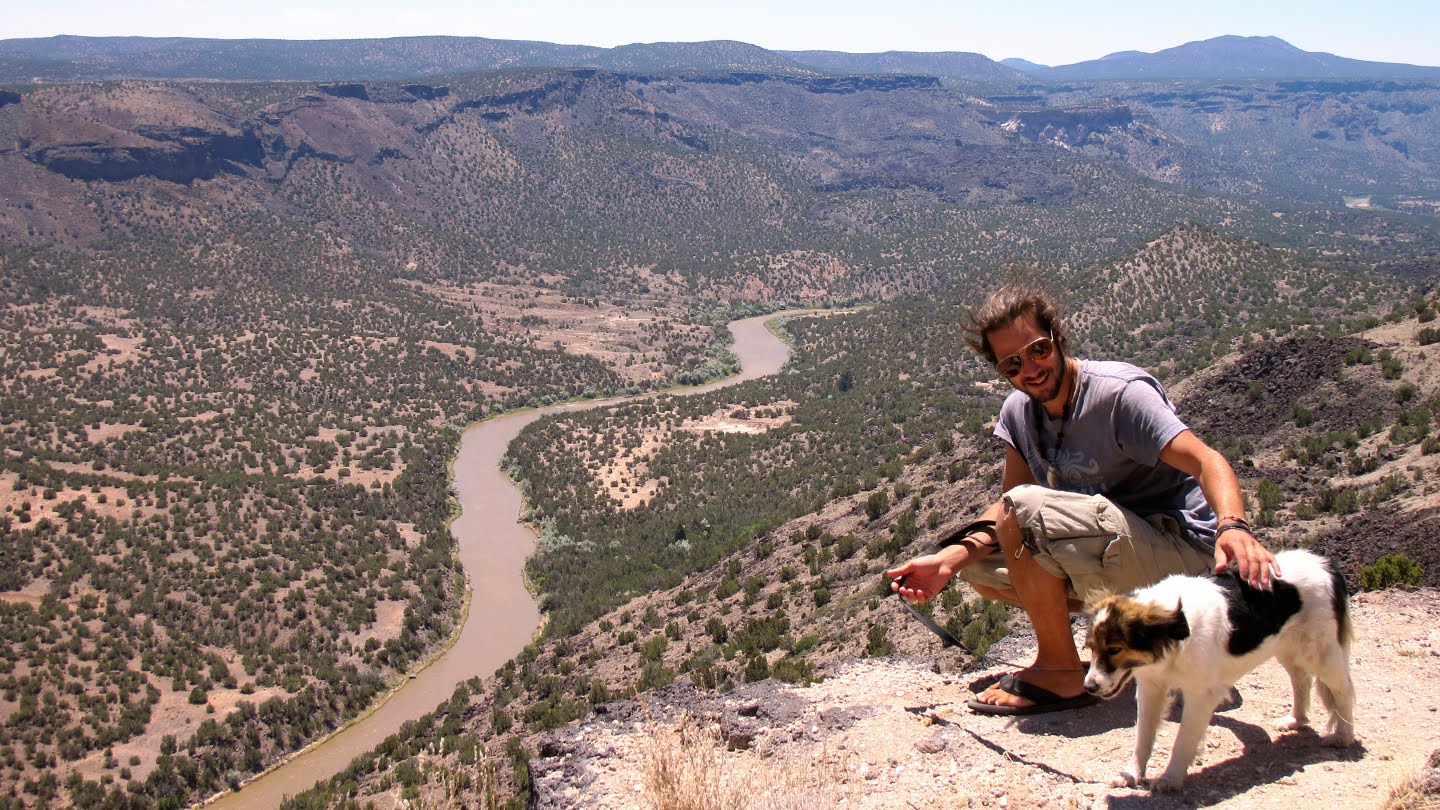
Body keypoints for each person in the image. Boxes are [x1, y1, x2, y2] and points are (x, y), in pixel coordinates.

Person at [886, 284, 1277, 715]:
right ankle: (1131, 642)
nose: (1029, 368)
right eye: (1012, 364)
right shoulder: (1019, 412)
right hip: (1117, 553)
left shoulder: (1120, 395)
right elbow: (1005, 512)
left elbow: (1206, 460)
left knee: (1024, 509)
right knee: (978, 567)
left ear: (1056, 336)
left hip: (1180, 558)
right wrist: (948, 559)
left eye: (1037, 350)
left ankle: (1061, 671)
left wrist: (1233, 526)